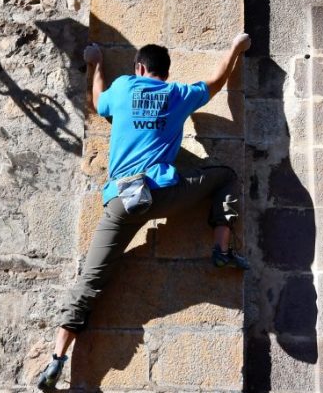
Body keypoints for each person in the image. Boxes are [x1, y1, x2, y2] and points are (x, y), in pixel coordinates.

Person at [37, 33, 252, 391]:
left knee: (90, 280)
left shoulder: (121, 89)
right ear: (165, 73)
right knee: (225, 176)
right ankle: (223, 250)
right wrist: (235, 49)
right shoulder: (177, 95)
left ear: (139, 67)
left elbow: (97, 102)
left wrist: (96, 63)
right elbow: (215, 82)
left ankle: (57, 357)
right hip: (162, 194)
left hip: (122, 201)